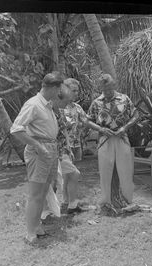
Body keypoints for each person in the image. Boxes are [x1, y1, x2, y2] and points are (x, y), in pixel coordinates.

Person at [10, 72, 65, 244]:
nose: (59, 93)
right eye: (59, 89)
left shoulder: (47, 105)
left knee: (43, 192)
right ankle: (30, 233)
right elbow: (16, 129)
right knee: (35, 194)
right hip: (39, 151)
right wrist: (38, 146)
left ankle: (37, 227)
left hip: (50, 149)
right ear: (53, 87)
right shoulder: (33, 104)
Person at [87, 74, 139, 212]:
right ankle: (107, 200)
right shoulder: (96, 102)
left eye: (110, 88)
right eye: (105, 89)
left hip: (122, 138)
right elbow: (87, 120)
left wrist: (124, 128)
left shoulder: (124, 99)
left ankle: (126, 199)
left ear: (114, 86)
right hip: (105, 140)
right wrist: (101, 129)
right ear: (101, 88)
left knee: (125, 169)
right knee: (105, 170)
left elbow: (135, 115)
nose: (108, 92)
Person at [60, 78, 104, 214]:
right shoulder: (59, 105)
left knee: (69, 174)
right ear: (65, 90)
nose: (76, 93)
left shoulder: (77, 107)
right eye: (73, 90)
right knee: (68, 174)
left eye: (77, 91)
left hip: (74, 144)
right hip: (62, 146)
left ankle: (67, 202)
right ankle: (68, 204)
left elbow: (86, 121)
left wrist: (102, 129)